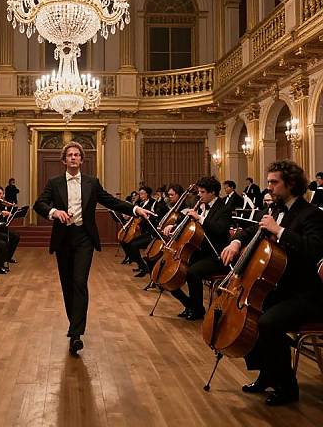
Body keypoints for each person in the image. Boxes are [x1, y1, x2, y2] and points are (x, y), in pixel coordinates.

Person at [221, 160, 323, 406]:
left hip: (306, 293)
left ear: (291, 184)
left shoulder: (311, 214)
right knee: (250, 315)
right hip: (279, 287)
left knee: (268, 322)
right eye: (268, 182)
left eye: (274, 182)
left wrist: (279, 231)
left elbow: (314, 249)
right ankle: (266, 374)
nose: (269, 188)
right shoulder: (275, 209)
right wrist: (236, 242)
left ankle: (287, 388)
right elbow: (253, 231)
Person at [33, 141, 150, 355]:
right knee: (68, 285)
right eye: (70, 155)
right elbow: (39, 204)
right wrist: (54, 212)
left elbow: (111, 201)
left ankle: (76, 333)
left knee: (79, 282)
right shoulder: (54, 182)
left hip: (84, 237)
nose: (74, 158)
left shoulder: (91, 182)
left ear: (82, 160)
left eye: (77, 155)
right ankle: (74, 325)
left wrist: (135, 209)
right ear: (64, 160)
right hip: (63, 238)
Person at [163, 176, 231, 320]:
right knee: (177, 269)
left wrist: (200, 218)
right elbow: (188, 224)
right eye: (199, 192)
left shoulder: (224, 208)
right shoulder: (199, 205)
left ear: (212, 192)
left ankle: (198, 309)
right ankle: (190, 305)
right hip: (200, 251)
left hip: (216, 255)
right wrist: (174, 226)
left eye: (202, 192)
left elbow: (219, 229)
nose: (199, 194)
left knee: (193, 272)